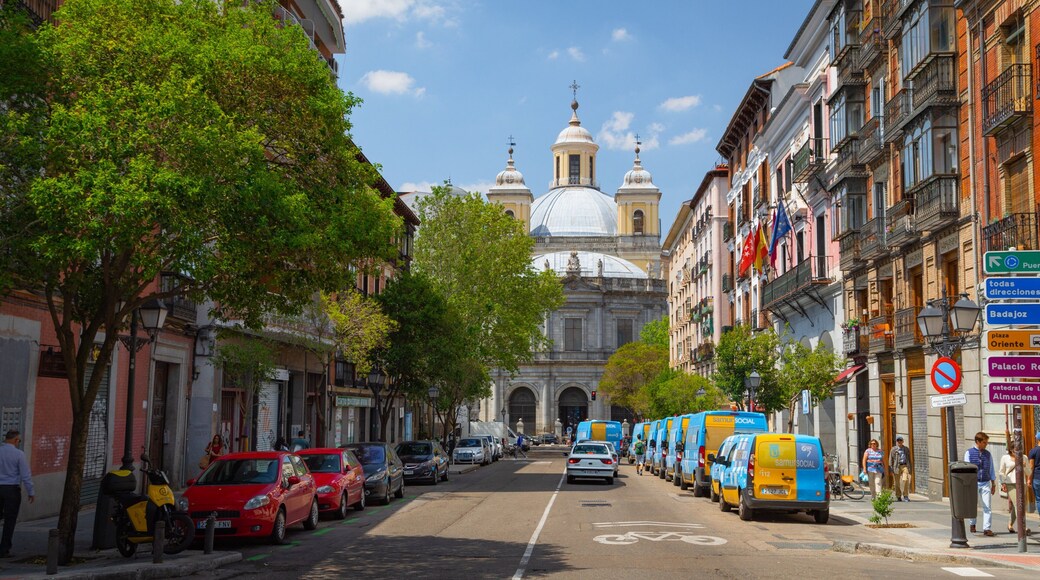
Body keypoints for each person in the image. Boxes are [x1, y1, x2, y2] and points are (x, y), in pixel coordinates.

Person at [0, 430, 34, 558]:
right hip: (11, 489)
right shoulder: (19, 454)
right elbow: (25, 475)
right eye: (19, 440)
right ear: (15, 440)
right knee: (10, 520)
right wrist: (31, 491)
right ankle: (4, 549)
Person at [965, 431, 997, 536]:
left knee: (987, 505)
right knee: (972, 504)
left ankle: (987, 528)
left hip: (985, 482)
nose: (986, 444)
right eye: (984, 442)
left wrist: (993, 483)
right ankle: (972, 523)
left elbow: (991, 468)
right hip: (973, 482)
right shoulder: (969, 453)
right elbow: (966, 469)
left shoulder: (988, 454)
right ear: (978, 442)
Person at [999, 441, 1031, 535]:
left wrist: (1024, 466)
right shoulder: (1005, 458)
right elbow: (1001, 472)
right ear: (1011, 450)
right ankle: (1023, 527)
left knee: (1016, 505)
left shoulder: (1024, 457)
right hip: (1011, 483)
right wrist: (1003, 483)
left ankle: (1010, 524)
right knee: (1018, 504)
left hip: (1022, 483)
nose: (1018, 452)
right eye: (1015, 450)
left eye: (1019, 450)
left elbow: (1028, 472)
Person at [888, 435, 912, 502]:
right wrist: (890, 467)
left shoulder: (906, 449)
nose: (899, 442)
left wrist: (910, 467)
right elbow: (891, 458)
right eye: (898, 440)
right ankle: (898, 495)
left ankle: (905, 495)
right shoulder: (893, 449)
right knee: (897, 482)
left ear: (903, 441)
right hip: (896, 467)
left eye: (900, 440)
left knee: (905, 479)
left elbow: (909, 459)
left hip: (904, 466)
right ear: (896, 441)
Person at [1028, 431, 1040, 530]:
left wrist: (1029, 479)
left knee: (1039, 500)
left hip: (1037, 477)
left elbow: (1031, 467)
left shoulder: (1033, 451)